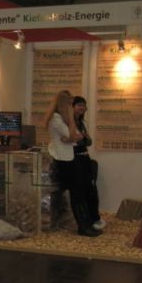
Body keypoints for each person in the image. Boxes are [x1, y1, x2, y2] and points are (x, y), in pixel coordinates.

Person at [46, 90, 101, 237]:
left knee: (82, 193)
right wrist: (71, 133)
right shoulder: (56, 119)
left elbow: (78, 137)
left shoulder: (65, 119)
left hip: (72, 158)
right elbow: (73, 136)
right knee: (77, 194)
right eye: (70, 103)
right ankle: (83, 227)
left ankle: (87, 223)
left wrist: (72, 137)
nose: (72, 107)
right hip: (65, 160)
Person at [72, 95, 105, 231]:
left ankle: (94, 218)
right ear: (72, 107)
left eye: (84, 105)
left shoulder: (81, 123)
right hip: (76, 160)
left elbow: (89, 142)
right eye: (79, 105)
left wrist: (84, 139)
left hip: (85, 158)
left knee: (91, 190)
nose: (82, 108)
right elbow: (80, 141)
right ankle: (85, 222)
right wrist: (83, 139)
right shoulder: (70, 123)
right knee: (81, 192)